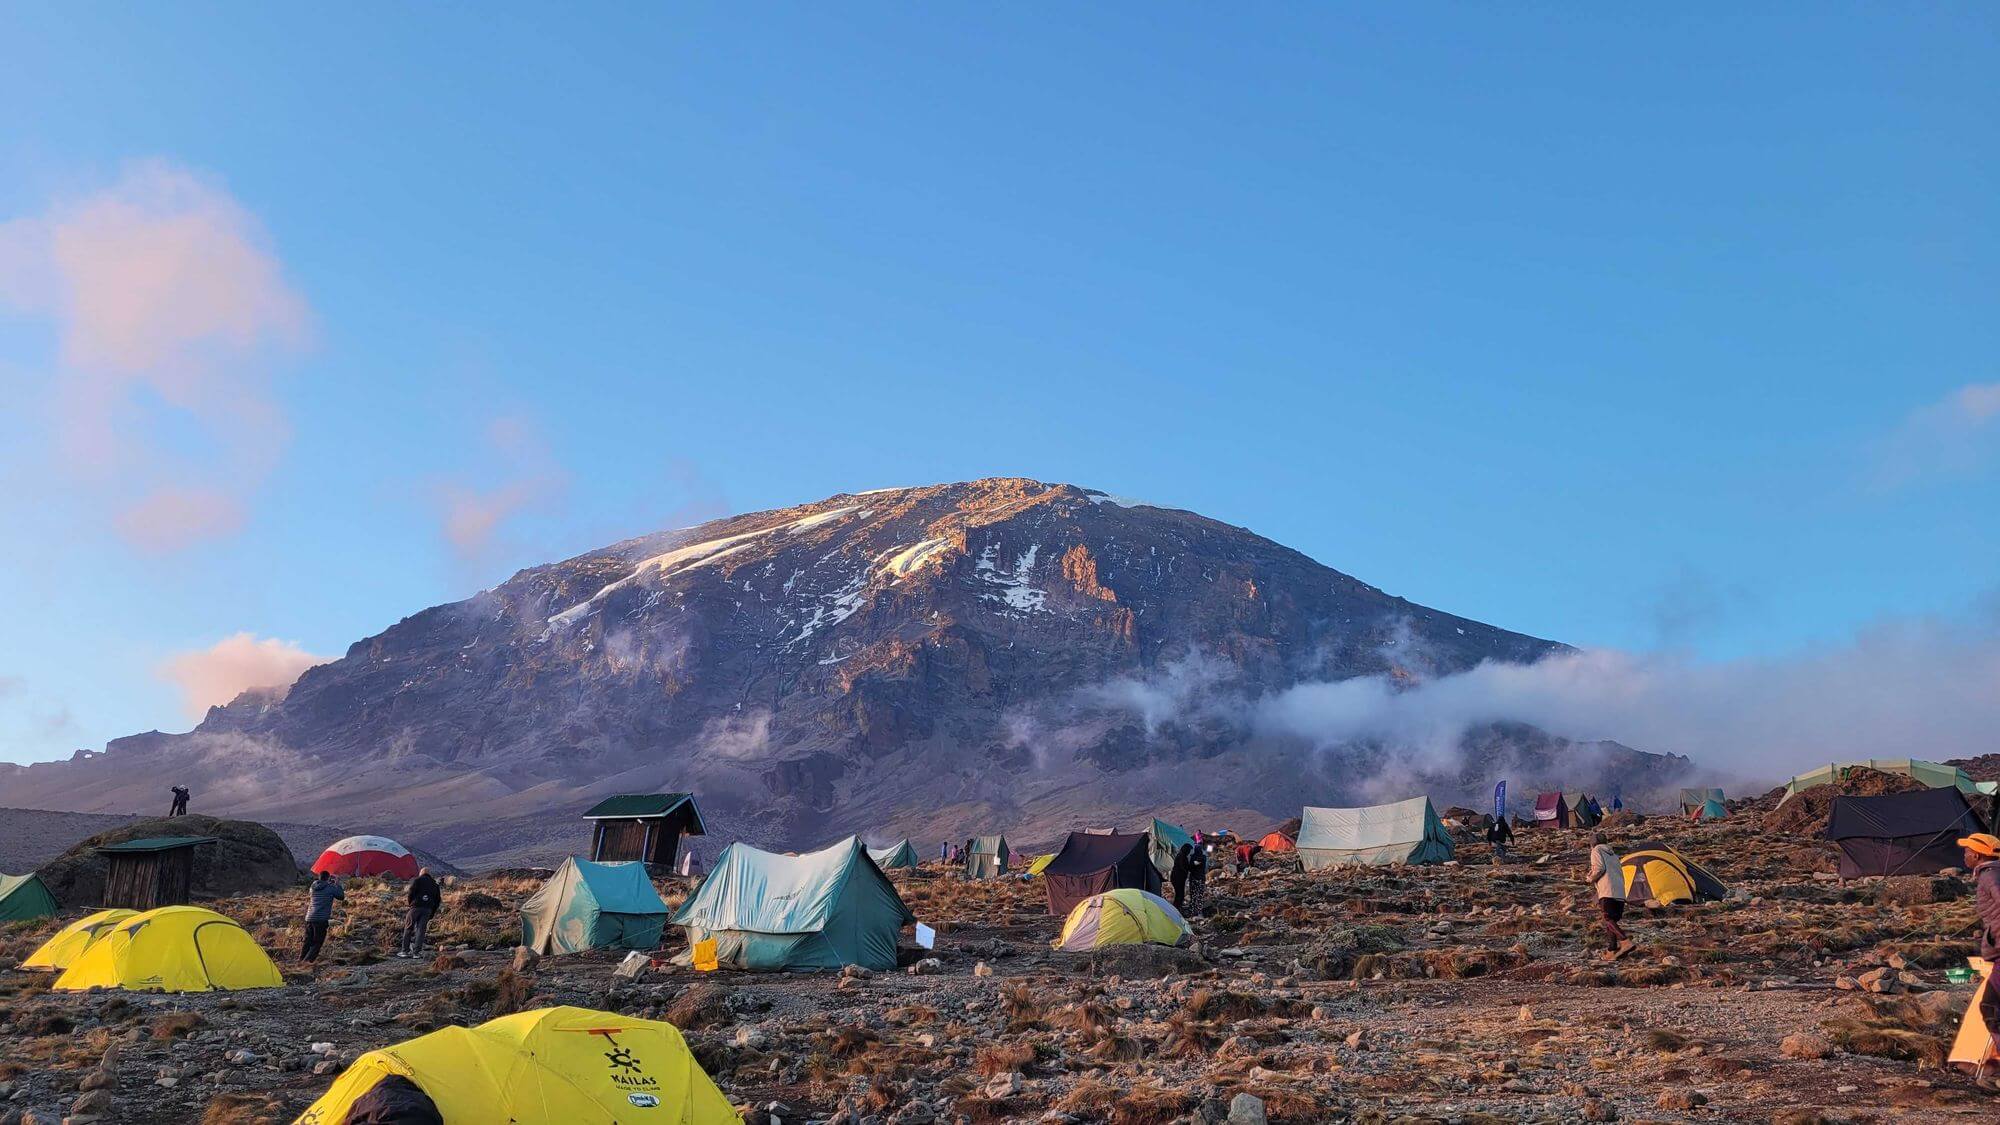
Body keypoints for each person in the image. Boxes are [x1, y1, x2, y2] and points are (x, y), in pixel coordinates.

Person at [1959, 832, 2000, 1087]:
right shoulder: (1992, 872)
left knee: (1992, 1007)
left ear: (1977, 854)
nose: (1964, 855)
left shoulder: (1990, 876)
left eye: (1967, 851)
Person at [1585, 835, 1632, 959]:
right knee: (1612, 921)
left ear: (1592, 844)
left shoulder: (1596, 851)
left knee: (1607, 918)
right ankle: (1612, 950)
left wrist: (1590, 878)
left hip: (1607, 890)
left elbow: (1599, 869)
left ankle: (1625, 941)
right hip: (1620, 891)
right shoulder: (1614, 855)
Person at [398, 867, 443, 959]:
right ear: (429, 874)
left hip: (415, 908)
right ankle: (416, 953)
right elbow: (438, 900)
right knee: (421, 930)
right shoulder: (434, 884)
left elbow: (411, 892)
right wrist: (432, 912)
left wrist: (411, 904)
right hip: (427, 909)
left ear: (421, 873)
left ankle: (405, 951)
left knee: (408, 928)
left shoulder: (417, 880)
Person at [302, 869, 345, 963]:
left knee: (307, 941)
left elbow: (322, 886)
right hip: (321, 919)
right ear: (328, 878)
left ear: (319, 877)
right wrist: (337, 883)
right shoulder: (330, 888)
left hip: (309, 917)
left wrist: (329, 883)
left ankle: (300, 961)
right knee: (317, 942)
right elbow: (341, 896)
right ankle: (306, 963)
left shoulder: (312, 887)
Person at [1186, 834, 1209, 911]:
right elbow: (1205, 868)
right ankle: (1198, 910)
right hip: (1200, 878)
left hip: (1194, 878)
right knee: (1199, 894)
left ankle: (1193, 909)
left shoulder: (1194, 857)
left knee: (1193, 894)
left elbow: (1191, 866)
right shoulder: (1203, 857)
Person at [1170, 842, 1192, 910]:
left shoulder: (1182, 855)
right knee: (1180, 894)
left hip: (1178, 878)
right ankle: (1176, 908)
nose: (1189, 852)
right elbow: (1183, 867)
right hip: (1177, 878)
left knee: (1179, 894)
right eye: (1188, 850)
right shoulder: (1181, 856)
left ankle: (1177, 908)